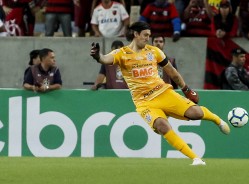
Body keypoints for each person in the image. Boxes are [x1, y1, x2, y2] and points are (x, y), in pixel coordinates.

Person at [90, 21, 230, 165]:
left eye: (149, 36)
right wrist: (97, 56)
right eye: (145, 35)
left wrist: (186, 89)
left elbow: (172, 72)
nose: (147, 38)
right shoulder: (121, 53)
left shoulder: (154, 52)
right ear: (136, 34)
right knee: (162, 126)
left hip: (163, 93)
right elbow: (105, 59)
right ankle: (196, 159)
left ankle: (217, 120)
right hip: (144, 102)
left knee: (196, 114)